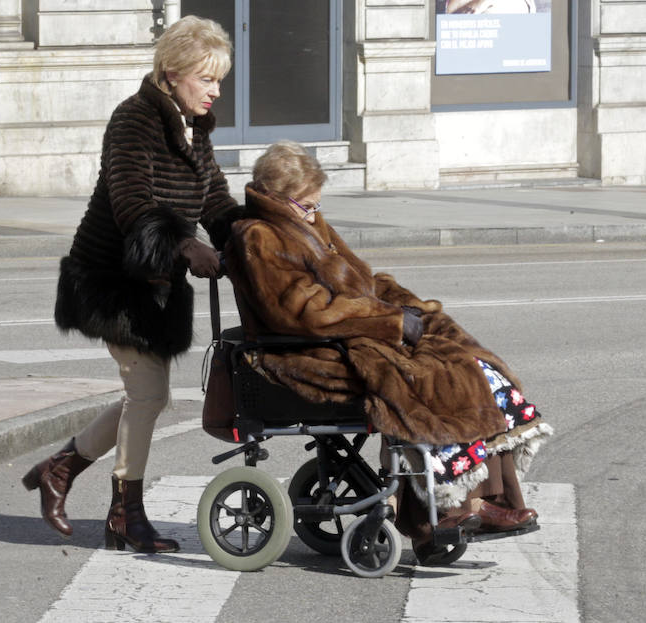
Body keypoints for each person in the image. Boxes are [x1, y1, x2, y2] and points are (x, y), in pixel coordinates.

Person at [222, 141, 552, 564]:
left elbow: (358, 282)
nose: (314, 212)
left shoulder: (304, 220)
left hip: (347, 335)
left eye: (315, 204)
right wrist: (388, 322)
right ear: (279, 198)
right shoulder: (259, 236)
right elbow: (304, 312)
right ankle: (455, 508)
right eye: (306, 205)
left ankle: (489, 497)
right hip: (308, 351)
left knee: (471, 363)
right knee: (429, 381)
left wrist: (406, 306)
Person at [22, 16, 242, 554]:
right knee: (147, 396)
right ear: (173, 72)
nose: (216, 91)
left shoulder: (195, 128)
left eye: (219, 80)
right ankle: (125, 514)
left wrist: (251, 239)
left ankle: (61, 468)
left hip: (156, 287)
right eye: (206, 79)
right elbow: (131, 204)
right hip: (113, 282)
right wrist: (187, 246)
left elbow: (213, 198)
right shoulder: (134, 119)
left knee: (148, 395)